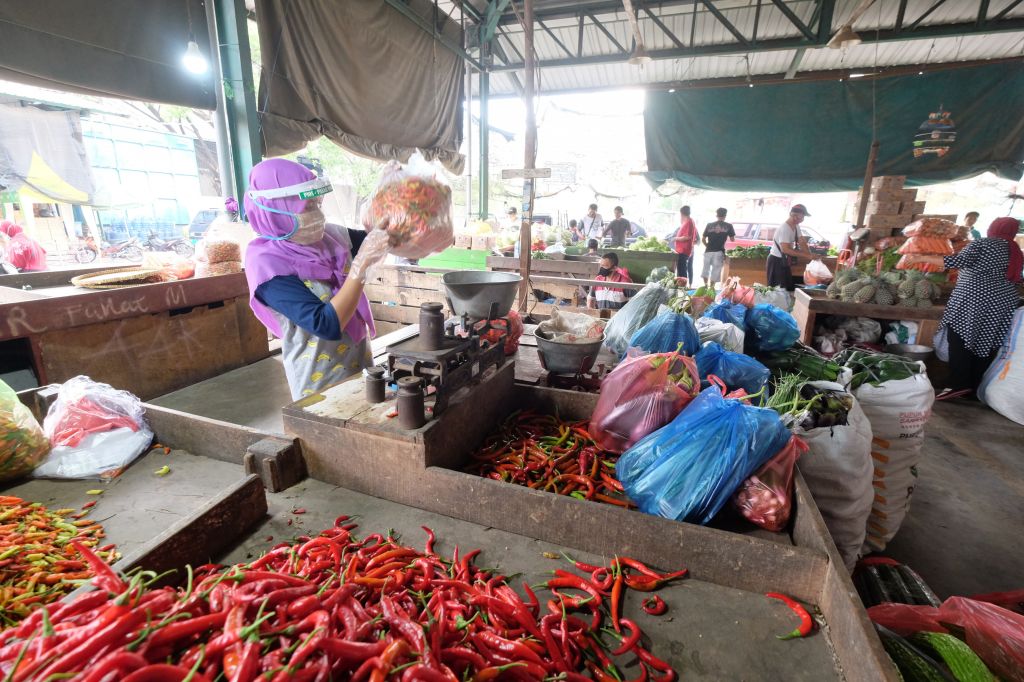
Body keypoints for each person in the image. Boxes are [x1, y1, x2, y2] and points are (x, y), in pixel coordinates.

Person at [244, 158, 390, 400]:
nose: (318, 215)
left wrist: (398, 206)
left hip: (361, 367)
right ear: (276, 210)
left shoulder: (329, 237)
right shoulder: (266, 264)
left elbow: (381, 237)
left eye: (318, 204)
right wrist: (360, 266)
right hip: (319, 384)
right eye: (307, 207)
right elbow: (326, 324)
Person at [904, 217, 1023, 400]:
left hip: (975, 299)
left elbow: (956, 261)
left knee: (959, 338)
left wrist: (920, 257)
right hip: (1002, 302)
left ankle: (958, 385)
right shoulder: (1015, 250)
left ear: (994, 228)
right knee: (984, 343)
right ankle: (973, 387)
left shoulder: (984, 243)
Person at [766, 204, 812, 291]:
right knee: (777, 290)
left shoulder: (796, 226)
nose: (802, 220)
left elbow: (802, 241)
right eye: (801, 217)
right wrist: (806, 255)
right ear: (793, 215)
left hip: (784, 261)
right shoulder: (785, 228)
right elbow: (785, 249)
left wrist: (810, 255)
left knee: (786, 287)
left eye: (803, 217)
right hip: (776, 261)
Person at [701, 208, 735, 285]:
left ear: (716, 215)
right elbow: (732, 239)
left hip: (708, 251)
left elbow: (703, 239)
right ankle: (711, 287)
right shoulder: (729, 226)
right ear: (725, 216)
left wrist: (707, 246)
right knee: (715, 271)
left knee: (705, 270)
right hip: (719, 251)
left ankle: (705, 286)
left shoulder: (709, 225)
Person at [672, 206, 698, 282]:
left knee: (682, 271)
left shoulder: (689, 222)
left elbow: (687, 237)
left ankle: (683, 286)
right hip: (681, 250)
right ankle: (681, 285)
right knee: (680, 270)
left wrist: (675, 238)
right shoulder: (687, 221)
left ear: (681, 213)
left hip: (684, 250)